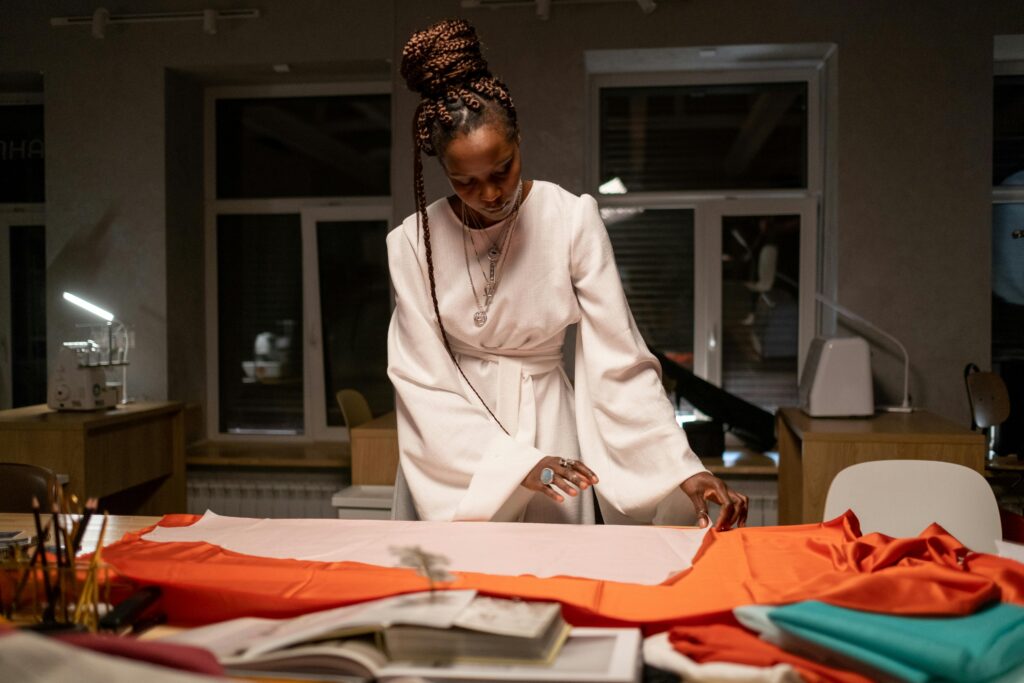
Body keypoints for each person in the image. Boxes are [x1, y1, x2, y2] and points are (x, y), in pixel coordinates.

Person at [387, 18, 748, 528]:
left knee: (555, 584)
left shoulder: (570, 218)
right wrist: (509, 466)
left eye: (502, 169)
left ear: (520, 141)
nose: (490, 193)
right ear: (441, 171)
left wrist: (677, 468)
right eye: (465, 181)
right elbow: (419, 379)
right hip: (453, 457)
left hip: (549, 429)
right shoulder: (408, 243)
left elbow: (618, 357)